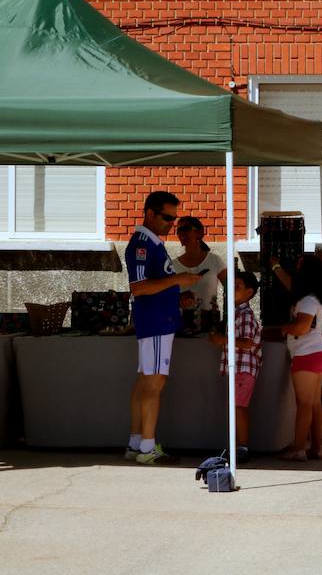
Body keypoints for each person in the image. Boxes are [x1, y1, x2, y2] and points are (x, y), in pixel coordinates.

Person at [124, 191, 201, 464]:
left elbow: (153, 285)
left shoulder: (151, 243)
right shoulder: (143, 244)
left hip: (157, 319)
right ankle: (147, 447)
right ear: (150, 214)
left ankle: (136, 442)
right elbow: (140, 287)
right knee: (154, 383)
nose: (172, 223)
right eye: (168, 217)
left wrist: (176, 291)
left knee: (145, 382)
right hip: (156, 322)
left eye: (174, 218)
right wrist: (177, 280)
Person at [273, 254, 322, 461]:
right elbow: (291, 284)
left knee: (304, 405)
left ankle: (298, 448)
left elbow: (302, 326)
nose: (296, 271)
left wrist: (285, 328)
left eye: (299, 268)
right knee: (315, 404)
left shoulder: (308, 300)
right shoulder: (314, 297)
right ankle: (316, 448)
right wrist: (276, 266)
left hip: (306, 353)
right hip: (317, 352)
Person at [208, 271, 261, 464]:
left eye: (237, 286)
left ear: (249, 292)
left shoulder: (245, 315)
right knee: (237, 406)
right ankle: (239, 444)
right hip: (238, 367)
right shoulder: (236, 313)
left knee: (239, 407)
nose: (232, 290)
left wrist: (222, 339)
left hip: (243, 367)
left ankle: (242, 446)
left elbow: (246, 342)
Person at [172, 216, 226, 325]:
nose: (182, 233)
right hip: (181, 323)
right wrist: (179, 300)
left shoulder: (215, 261)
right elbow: (165, 296)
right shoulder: (172, 265)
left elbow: (231, 289)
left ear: (199, 232)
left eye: (186, 229)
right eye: (179, 230)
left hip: (209, 323)